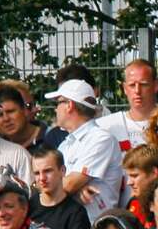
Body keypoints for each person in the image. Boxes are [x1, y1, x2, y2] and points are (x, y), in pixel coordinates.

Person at [46, 78, 123, 219]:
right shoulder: (65, 144)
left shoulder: (101, 139)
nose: (55, 109)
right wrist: (74, 189)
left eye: (58, 103)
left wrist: (70, 187)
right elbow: (57, 185)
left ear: (69, 105)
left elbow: (68, 185)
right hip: (71, 226)